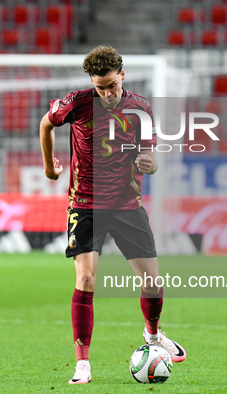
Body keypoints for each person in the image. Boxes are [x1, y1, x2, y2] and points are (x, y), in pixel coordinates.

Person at [39, 45, 186, 385]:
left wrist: (150, 163)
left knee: (152, 282)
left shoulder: (140, 109)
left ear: (123, 75)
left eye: (111, 85)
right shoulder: (76, 104)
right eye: (100, 86)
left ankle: (152, 336)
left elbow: (150, 157)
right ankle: (83, 364)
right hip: (85, 203)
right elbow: (46, 124)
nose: (106, 93)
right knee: (86, 279)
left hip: (126, 205)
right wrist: (50, 167)